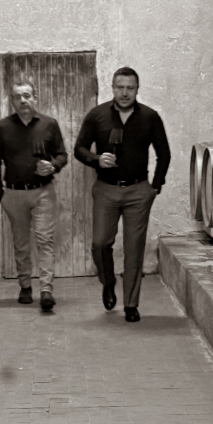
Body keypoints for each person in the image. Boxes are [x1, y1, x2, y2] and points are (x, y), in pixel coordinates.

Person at [75, 67, 170, 322]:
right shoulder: (97, 115)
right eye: (120, 87)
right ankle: (108, 281)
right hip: (106, 188)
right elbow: (79, 149)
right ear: (113, 88)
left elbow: (164, 154)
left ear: (137, 89)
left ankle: (131, 304)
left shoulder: (150, 117)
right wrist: (96, 159)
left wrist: (155, 186)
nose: (125, 93)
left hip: (138, 191)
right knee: (100, 243)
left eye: (130, 88)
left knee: (134, 248)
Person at [0, 80, 68, 311]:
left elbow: (62, 155)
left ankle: (46, 290)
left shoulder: (49, 124)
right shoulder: (2, 127)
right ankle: (25, 286)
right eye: (17, 96)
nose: (23, 100)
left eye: (27, 95)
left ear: (35, 98)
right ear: (12, 101)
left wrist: (53, 166)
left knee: (45, 239)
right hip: (14, 193)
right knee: (21, 243)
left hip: (43, 192)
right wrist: (0, 192)